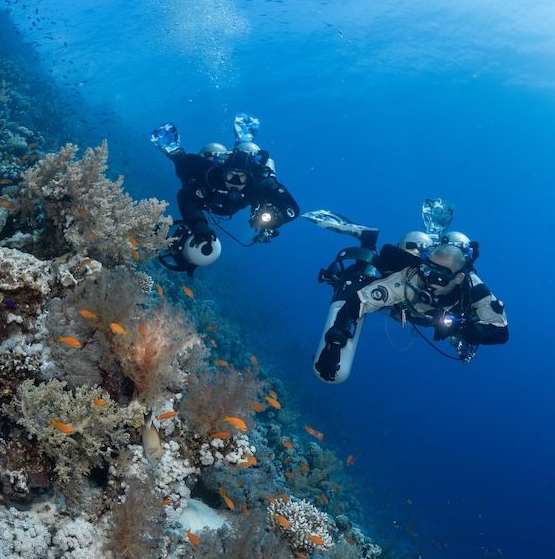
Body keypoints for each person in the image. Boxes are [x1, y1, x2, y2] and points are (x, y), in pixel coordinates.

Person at [304, 200, 508, 383]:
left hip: (426, 314)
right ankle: (368, 240)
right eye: (427, 271)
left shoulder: (474, 289)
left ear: (459, 278)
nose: (429, 281)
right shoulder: (410, 277)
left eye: (439, 278)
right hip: (401, 303)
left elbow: (501, 331)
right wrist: (334, 341)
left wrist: (461, 331)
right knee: (369, 275)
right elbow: (357, 303)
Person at [150, 113, 300, 273]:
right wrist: (198, 223)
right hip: (208, 194)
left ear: (249, 178)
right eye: (231, 176)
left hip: (236, 198)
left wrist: (275, 221)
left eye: (241, 178)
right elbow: (185, 196)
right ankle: (175, 151)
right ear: (223, 173)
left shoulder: (259, 184)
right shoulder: (210, 177)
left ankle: (244, 146)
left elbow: (292, 210)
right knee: (186, 174)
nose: (234, 182)